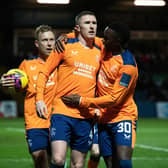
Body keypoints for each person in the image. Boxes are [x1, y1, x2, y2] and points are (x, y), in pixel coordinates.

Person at [61, 22, 138, 168]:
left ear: (118, 41)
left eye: (107, 38)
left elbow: (114, 99)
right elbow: (85, 37)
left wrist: (82, 101)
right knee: (110, 163)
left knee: (123, 161)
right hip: (103, 119)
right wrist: (66, 36)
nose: (103, 40)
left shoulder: (128, 66)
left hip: (122, 116)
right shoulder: (105, 49)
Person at [35, 11, 104, 168]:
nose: (92, 26)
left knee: (77, 164)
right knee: (58, 159)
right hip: (62, 112)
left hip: (85, 115)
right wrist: (39, 99)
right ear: (78, 28)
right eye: (87, 23)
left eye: (94, 23)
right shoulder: (64, 46)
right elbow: (44, 72)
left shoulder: (100, 52)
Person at [0, 25, 57, 168]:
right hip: (35, 122)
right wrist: (5, 83)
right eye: (45, 40)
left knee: (55, 161)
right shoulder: (26, 66)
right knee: (40, 158)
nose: (49, 43)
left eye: (51, 40)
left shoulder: (63, 65)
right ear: (37, 44)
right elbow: (14, 89)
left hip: (58, 121)